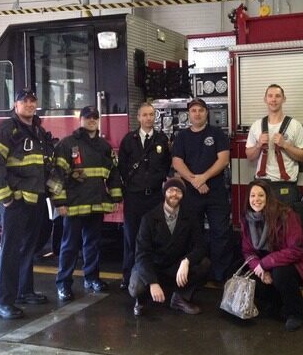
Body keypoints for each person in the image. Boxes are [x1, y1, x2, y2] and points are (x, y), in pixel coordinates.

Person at [0, 89, 56, 319]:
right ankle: (1, 302)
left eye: (33, 101)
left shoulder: (38, 131)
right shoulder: (6, 130)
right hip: (15, 202)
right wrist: (5, 197)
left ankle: (24, 291)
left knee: (28, 248)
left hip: (35, 200)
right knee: (11, 250)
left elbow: (44, 166)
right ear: (16, 105)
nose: (30, 104)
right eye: (24, 101)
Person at [52, 106, 122, 302]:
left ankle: (91, 278)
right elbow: (56, 175)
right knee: (70, 246)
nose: (92, 120)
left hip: (96, 203)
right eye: (88, 117)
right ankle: (63, 284)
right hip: (74, 205)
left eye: (95, 118)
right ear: (80, 120)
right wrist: (60, 201)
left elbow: (113, 173)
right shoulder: (67, 145)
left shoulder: (104, 146)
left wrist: (116, 197)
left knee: (92, 244)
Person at [241, 179, 303, 331]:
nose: (256, 200)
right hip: (268, 262)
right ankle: (276, 303)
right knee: (251, 278)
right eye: (252, 196)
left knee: (281, 274)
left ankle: (295, 313)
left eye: (261, 195)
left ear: (268, 197)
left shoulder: (286, 215)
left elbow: (295, 250)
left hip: (296, 262)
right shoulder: (248, 219)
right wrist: (259, 268)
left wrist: (265, 264)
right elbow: (248, 252)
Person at [128, 177, 211, 316]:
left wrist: (187, 261)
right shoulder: (149, 218)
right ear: (164, 192)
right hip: (153, 266)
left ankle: (180, 298)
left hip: (176, 266)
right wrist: (152, 282)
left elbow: (201, 247)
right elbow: (141, 254)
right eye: (171, 190)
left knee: (205, 264)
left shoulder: (190, 217)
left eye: (179, 191)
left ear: (183, 195)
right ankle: (141, 300)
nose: (174, 194)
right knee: (136, 287)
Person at [172, 98, 233, 282]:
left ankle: (221, 277)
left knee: (220, 234)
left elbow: (223, 159)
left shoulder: (217, 133)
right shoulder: (181, 137)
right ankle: (197, 275)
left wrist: (203, 177)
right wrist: (195, 181)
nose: (197, 113)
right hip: (191, 194)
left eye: (200, 110)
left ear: (206, 113)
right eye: (193, 110)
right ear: (188, 114)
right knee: (193, 234)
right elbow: (177, 162)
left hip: (216, 193)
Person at [118, 102, 171, 290]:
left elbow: (167, 165)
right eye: (145, 115)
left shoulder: (162, 139)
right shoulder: (129, 140)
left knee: (154, 236)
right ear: (138, 117)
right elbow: (122, 167)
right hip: (134, 197)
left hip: (155, 197)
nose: (149, 118)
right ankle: (128, 275)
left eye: (151, 114)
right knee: (131, 237)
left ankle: (152, 276)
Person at [245, 84, 303, 206]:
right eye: (270, 96)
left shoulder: (295, 125)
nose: (273, 99)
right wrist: (258, 145)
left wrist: (285, 145)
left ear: (284, 99)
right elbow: (250, 157)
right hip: (262, 185)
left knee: (287, 224)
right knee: (263, 224)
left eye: (278, 96)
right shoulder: (256, 125)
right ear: (265, 99)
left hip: (286, 186)